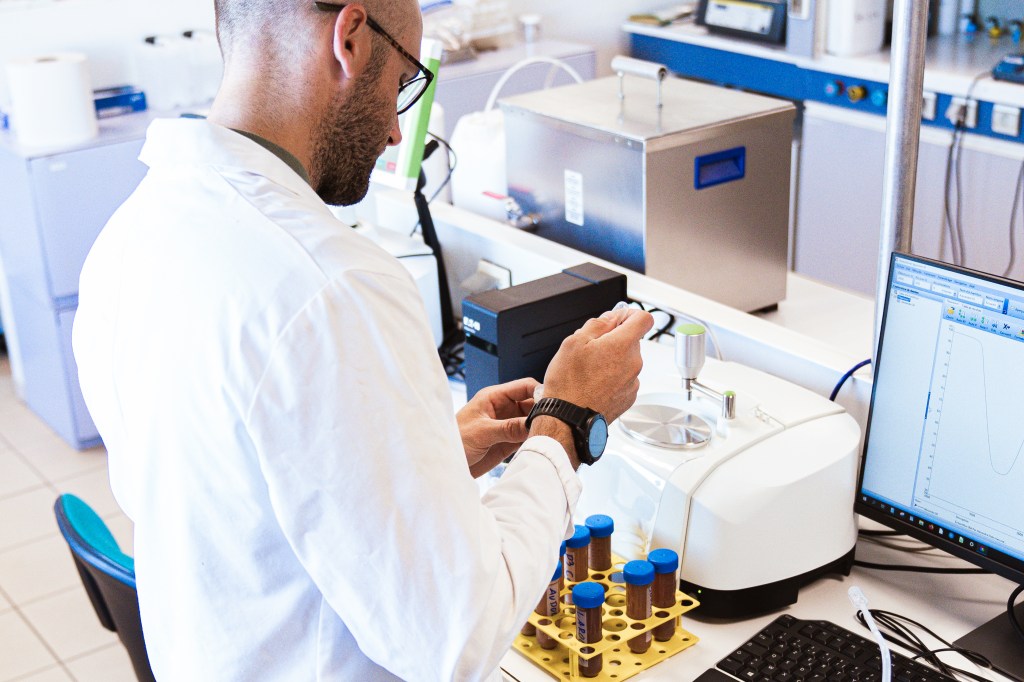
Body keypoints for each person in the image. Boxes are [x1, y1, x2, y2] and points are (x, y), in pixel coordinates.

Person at [73, 0, 653, 679]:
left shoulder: (132, 235)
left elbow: (231, 494)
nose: (396, 131)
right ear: (349, 38)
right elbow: (458, 634)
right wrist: (567, 421)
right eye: (404, 80)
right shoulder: (333, 286)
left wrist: (425, 456)